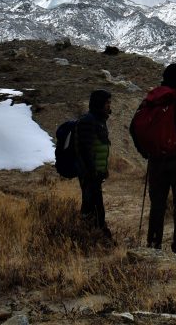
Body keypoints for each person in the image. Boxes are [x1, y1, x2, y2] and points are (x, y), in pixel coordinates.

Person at [130, 63, 176, 260]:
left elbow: (133, 127)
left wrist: (145, 152)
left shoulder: (149, 101)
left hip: (155, 161)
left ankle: (153, 244)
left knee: (157, 204)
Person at [75, 89, 113, 239]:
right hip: (89, 174)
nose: (109, 105)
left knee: (95, 205)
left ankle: (95, 236)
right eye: (107, 102)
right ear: (100, 104)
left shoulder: (99, 120)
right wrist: (92, 171)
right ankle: (89, 238)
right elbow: (85, 150)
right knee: (92, 206)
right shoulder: (88, 121)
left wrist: (102, 170)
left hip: (95, 173)